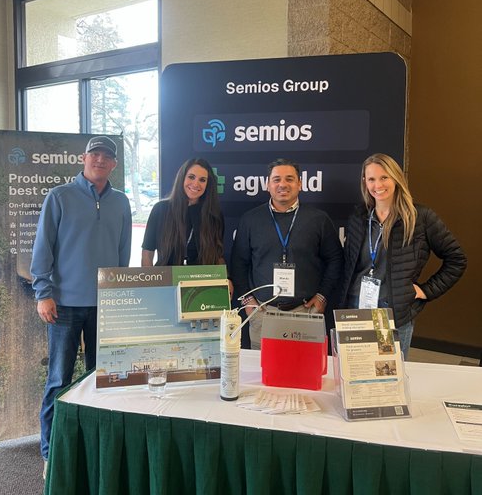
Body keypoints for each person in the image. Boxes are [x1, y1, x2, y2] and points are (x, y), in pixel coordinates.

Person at [31, 136, 132, 475]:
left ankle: (94, 448)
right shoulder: (59, 196)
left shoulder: (121, 201)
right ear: (83, 158)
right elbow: (43, 248)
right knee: (59, 379)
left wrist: (119, 294)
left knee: (101, 378)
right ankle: (50, 453)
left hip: (105, 304)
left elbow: (123, 253)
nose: (100, 160)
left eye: (107, 156)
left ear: (114, 164)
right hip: (64, 305)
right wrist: (43, 293)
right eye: (94, 154)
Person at [339, 153, 467, 359]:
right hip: (356, 307)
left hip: (391, 312)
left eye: (384, 177)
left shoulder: (420, 217)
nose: (377, 185)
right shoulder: (359, 217)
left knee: (387, 372)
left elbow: (457, 259)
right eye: (371, 179)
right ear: (364, 182)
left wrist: (426, 291)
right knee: (357, 369)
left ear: (396, 178)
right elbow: (348, 264)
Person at [230, 158, 344, 349]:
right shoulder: (250, 220)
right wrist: (248, 302)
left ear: (300, 184)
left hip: (306, 312)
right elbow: (238, 263)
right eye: (276, 179)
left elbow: (335, 259)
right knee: (264, 368)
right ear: (268, 185)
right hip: (263, 313)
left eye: (289, 179)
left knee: (305, 366)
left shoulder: (318, 219)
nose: (282, 184)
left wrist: (322, 296)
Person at [141, 158, 225, 266]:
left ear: (208, 184)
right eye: (191, 177)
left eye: (202, 180)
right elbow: (147, 253)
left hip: (202, 276)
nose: (196, 184)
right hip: (166, 276)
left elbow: (218, 256)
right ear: (182, 178)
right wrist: (150, 277)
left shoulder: (214, 215)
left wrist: (225, 275)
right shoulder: (160, 209)